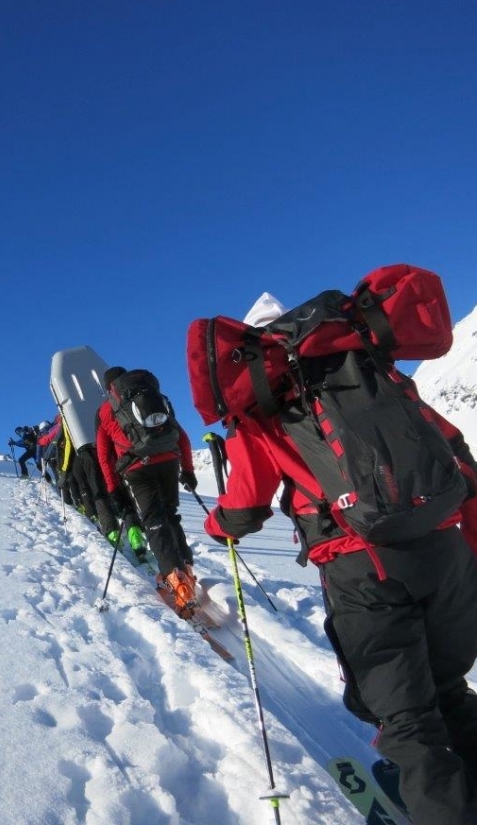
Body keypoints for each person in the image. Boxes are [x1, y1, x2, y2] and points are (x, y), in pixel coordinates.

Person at [200, 292, 477, 825]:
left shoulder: (263, 399)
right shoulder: (374, 368)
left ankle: (439, 805)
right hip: (446, 549)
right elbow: (450, 446)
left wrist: (220, 526)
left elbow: (246, 500)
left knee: (407, 718)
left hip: (365, 567)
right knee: (449, 689)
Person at [96, 366, 197, 611]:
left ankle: (177, 583)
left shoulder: (106, 410)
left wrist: (113, 488)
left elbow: (104, 454)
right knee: (171, 515)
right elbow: (181, 435)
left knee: (154, 522)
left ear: (108, 388)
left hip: (136, 468)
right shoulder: (151, 397)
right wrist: (188, 470)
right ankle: (187, 571)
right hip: (169, 460)